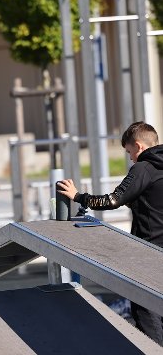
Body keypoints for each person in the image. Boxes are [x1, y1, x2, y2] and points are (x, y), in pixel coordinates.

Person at [57, 121, 163, 345]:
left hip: (149, 254)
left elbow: (112, 200)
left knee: (146, 314)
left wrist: (78, 196)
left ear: (139, 146)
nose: (130, 158)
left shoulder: (144, 167)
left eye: (129, 152)